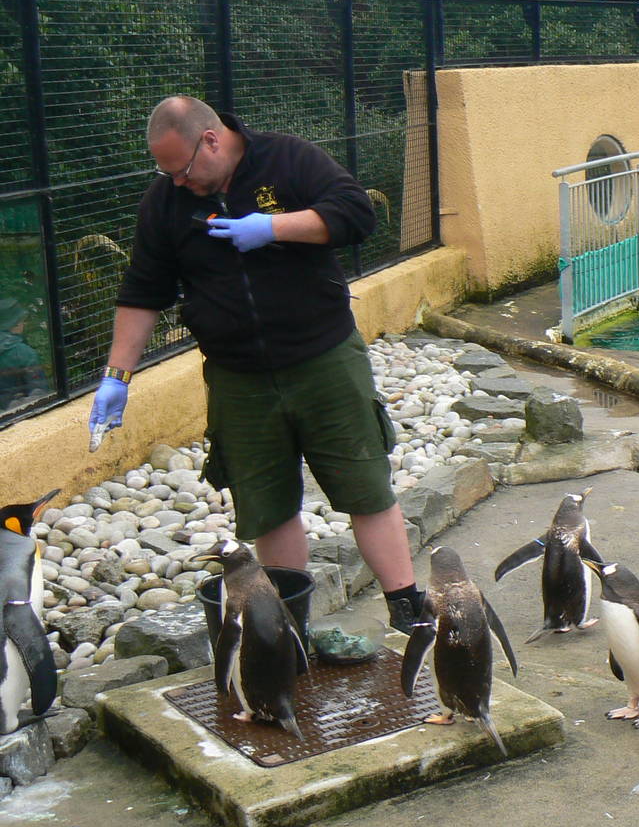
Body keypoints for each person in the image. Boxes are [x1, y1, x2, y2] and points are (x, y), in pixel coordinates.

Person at [87, 96, 426, 631]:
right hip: (236, 375)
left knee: (365, 482)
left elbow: (355, 214)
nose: (176, 182)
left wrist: (272, 227)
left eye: (182, 169)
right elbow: (143, 292)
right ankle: (287, 629)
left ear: (212, 140)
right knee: (268, 504)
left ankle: (408, 607)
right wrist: (116, 377)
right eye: (165, 172)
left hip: (323, 357)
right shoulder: (164, 202)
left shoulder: (288, 159)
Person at [0, 298, 48, 411]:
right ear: (15, 324)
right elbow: (39, 394)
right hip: (16, 411)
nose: (24, 324)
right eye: (22, 320)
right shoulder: (25, 354)